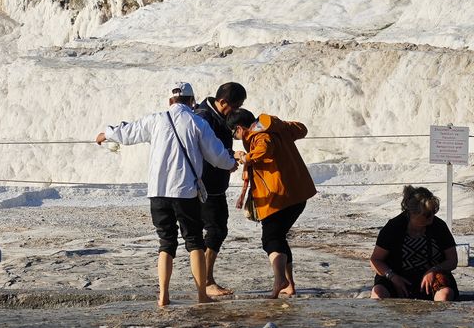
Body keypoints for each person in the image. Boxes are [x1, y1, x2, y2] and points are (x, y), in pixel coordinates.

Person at [95, 81, 237, 307]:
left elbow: (128, 132)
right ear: (191, 101)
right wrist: (230, 164)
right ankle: (201, 294)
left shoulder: (156, 120)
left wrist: (106, 134)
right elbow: (216, 155)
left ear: (170, 101)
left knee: (166, 242)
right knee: (194, 242)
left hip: (157, 192)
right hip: (185, 191)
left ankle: (163, 295)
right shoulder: (197, 122)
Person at [228, 108, 316, 298]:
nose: (235, 137)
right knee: (280, 237)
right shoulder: (277, 127)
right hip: (298, 194)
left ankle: (279, 280)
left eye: (233, 133)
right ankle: (289, 285)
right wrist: (281, 125)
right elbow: (301, 129)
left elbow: (265, 148)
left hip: (278, 197)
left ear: (239, 128)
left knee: (271, 239)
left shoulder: (259, 136)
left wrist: (244, 157)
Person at [194, 81, 247, 297]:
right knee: (216, 230)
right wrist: (230, 156)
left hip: (212, 182)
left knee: (208, 231)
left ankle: (204, 280)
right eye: (235, 106)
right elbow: (207, 149)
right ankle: (206, 282)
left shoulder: (215, 115)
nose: (236, 111)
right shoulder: (205, 117)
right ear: (222, 101)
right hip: (207, 184)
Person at [370, 185, 459, 301]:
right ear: (412, 213)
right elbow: (375, 260)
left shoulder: (439, 226)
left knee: (445, 294)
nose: (431, 217)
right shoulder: (393, 227)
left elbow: (452, 260)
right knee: (378, 294)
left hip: (432, 276)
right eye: (426, 215)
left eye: (432, 212)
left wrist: (434, 270)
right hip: (396, 276)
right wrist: (392, 277)